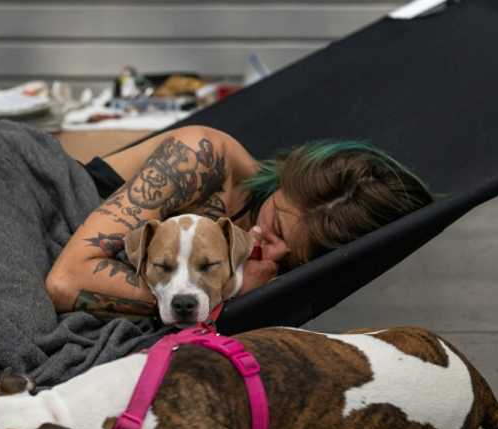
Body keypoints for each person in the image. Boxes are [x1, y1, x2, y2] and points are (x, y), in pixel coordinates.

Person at [46, 124, 433, 317]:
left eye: (297, 257)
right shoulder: (201, 158)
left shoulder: (277, 270)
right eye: (277, 226)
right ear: (283, 181)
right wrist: (225, 288)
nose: (272, 250)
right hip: (40, 196)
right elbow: (66, 281)